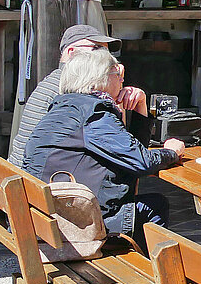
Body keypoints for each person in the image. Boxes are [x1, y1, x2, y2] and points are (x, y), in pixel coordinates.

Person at [23, 48, 184, 252]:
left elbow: (131, 154)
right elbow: (141, 162)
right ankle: (150, 270)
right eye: (117, 74)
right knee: (155, 205)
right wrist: (172, 152)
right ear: (100, 79)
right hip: (74, 226)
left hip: (46, 218)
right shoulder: (94, 114)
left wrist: (140, 106)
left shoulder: (66, 107)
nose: (122, 80)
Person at [9, 24, 130, 167]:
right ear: (72, 53)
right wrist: (117, 88)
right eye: (97, 49)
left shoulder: (58, 80)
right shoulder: (73, 87)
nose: (105, 57)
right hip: (36, 175)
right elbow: (120, 147)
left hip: (22, 173)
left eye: (107, 52)